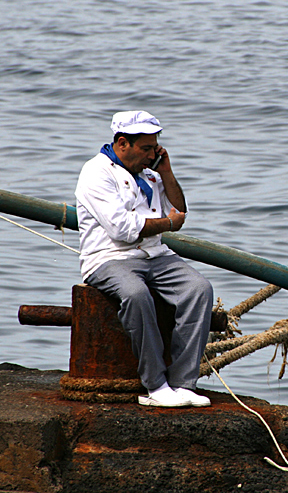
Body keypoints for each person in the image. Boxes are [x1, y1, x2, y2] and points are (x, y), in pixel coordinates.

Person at [75, 110, 214, 408]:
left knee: (199, 290)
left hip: (155, 255)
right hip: (108, 258)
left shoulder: (150, 172)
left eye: (155, 148)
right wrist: (168, 224)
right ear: (122, 143)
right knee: (136, 295)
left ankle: (183, 383)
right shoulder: (95, 172)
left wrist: (166, 171)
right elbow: (124, 230)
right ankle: (156, 385)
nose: (152, 154)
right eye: (146, 148)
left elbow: (180, 208)